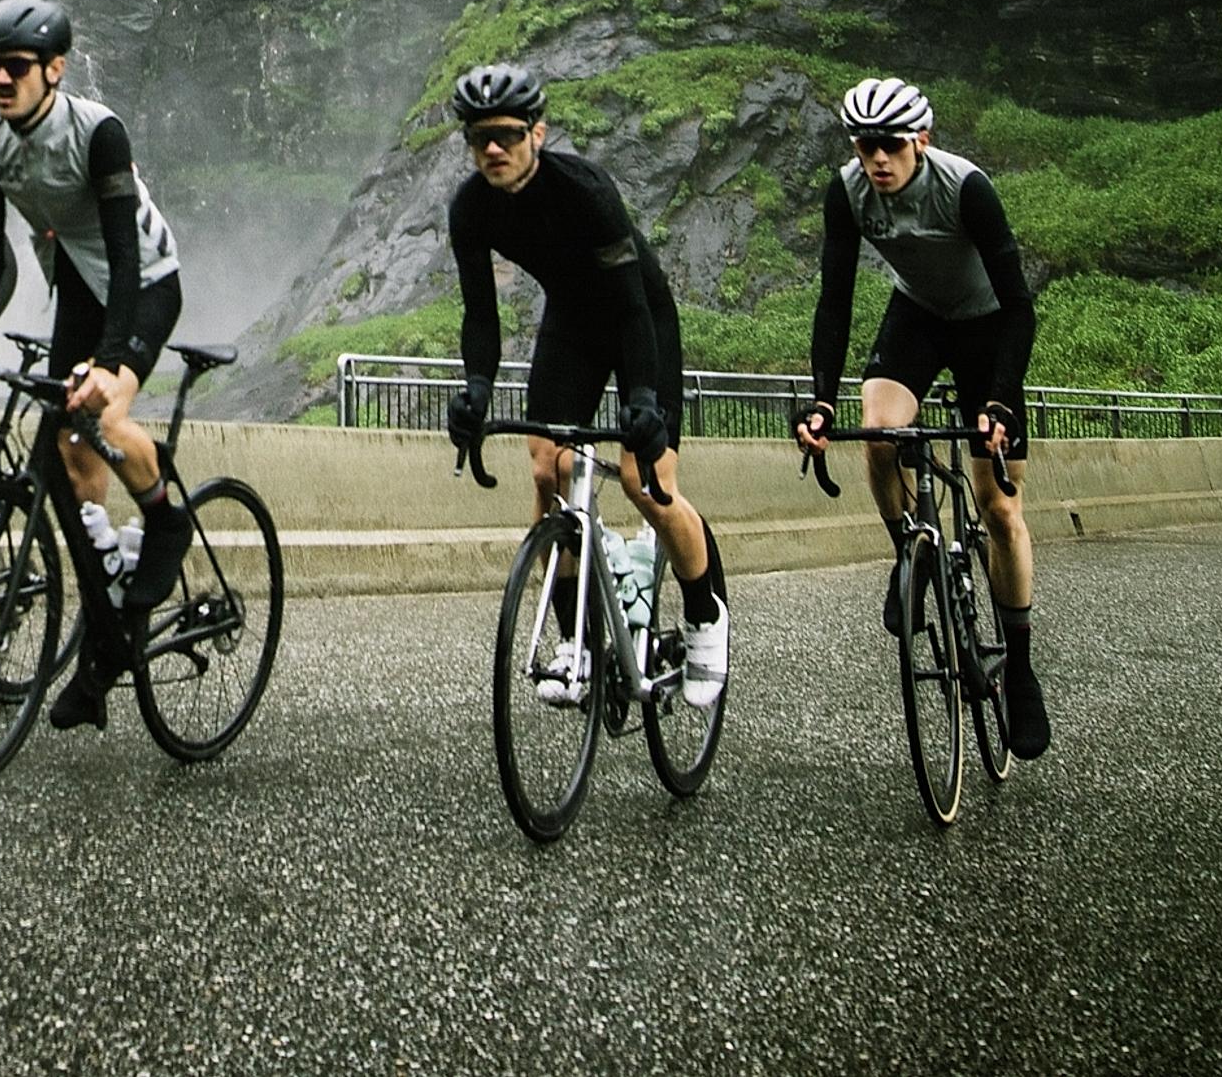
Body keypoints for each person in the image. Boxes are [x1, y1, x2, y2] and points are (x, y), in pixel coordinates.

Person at [0, 0, 189, 733]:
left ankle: (166, 521)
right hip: (73, 282)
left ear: (54, 68)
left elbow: (126, 253)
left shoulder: (96, 132)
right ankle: (105, 642)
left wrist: (108, 364)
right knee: (60, 470)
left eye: (14, 67)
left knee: (98, 414)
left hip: (143, 286)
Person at [439, 63, 730, 709]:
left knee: (643, 482)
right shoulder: (469, 208)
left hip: (638, 318)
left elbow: (630, 308)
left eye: (507, 135)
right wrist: (478, 390)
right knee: (546, 469)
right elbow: (480, 315)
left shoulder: (584, 189)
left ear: (536, 134)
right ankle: (574, 639)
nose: (492, 148)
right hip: (569, 322)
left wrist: (644, 401)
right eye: (478, 136)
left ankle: (706, 615)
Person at [793, 76, 1049, 758]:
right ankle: (908, 549)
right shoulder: (847, 191)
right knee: (878, 433)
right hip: (918, 318)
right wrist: (821, 398)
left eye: (889, 146)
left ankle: (1019, 670)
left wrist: (997, 398)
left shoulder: (964, 188)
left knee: (999, 508)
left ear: (920, 142)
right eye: (864, 145)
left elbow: (1020, 304)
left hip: (987, 325)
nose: (876, 159)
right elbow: (834, 302)